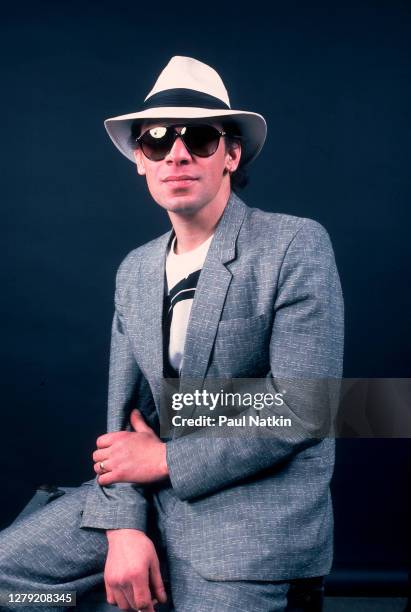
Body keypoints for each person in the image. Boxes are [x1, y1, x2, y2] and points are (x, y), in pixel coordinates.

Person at [0, 56, 344, 612]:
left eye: (201, 138)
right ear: (141, 160)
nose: (176, 154)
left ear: (231, 154)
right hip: (150, 501)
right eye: (157, 140)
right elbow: (124, 423)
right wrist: (124, 527)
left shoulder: (293, 245)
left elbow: (308, 406)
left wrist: (164, 457)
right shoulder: (135, 270)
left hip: (249, 522)